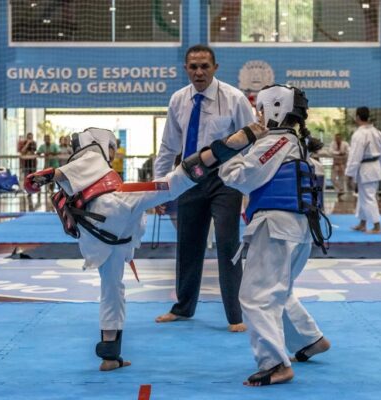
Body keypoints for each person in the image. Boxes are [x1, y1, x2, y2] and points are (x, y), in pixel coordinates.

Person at [24, 123, 268, 372]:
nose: (113, 155)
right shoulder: (90, 156)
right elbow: (60, 173)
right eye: (112, 148)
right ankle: (225, 148)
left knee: (112, 289)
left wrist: (46, 179)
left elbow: (66, 177)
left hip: (100, 238)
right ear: (100, 143)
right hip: (114, 207)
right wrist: (44, 176)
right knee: (175, 182)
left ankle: (110, 352)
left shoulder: (79, 178)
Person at [219, 84, 331, 386]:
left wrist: (229, 151)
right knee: (279, 291)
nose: (258, 116)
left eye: (260, 110)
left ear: (275, 109)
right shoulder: (296, 142)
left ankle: (275, 364)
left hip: (276, 227)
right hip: (297, 229)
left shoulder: (277, 141)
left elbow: (240, 176)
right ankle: (309, 340)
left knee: (255, 296)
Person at [154, 44, 256, 332]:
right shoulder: (178, 100)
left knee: (227, 244)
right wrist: (159, 188)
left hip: (226, 180)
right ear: (186, 69)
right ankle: (183, 308)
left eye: (204, 66)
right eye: (193, 67)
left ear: (215, 68)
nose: (199, 72)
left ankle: (235, 315)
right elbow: (168, 146)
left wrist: (250, 186)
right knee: (188, 244)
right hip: (189, 177)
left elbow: (252, 143)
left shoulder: (234, 98)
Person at [345, 107, 381, 234]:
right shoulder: (377, 132)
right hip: (375, 166)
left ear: (357, 117)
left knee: (368, 197)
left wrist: (349, 173)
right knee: (364, 196)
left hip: (365, 168)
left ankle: (377, 226)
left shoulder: (359, 134)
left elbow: (355, 156)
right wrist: (380, 167)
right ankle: (362, 223)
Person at [329, 133, 349, 200]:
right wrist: (339, 153)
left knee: (342, 179)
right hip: (335, 164)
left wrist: (344, 153)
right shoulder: (333, 143)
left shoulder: (345, 144)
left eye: (339, 138)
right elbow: (330, 151)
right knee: (332, 178)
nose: (337, 139)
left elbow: (349, 151)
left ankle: (340, 195)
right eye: (336, 138)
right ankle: (340, 189)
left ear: (341, 138)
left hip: (343, 164)